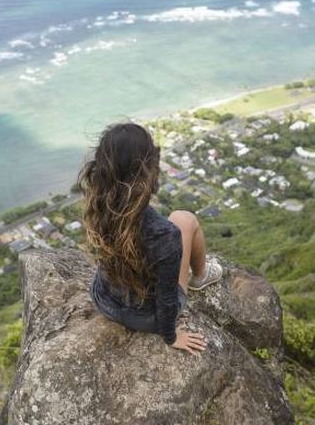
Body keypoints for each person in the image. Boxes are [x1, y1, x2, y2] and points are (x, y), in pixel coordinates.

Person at [78, 122, 223, 355]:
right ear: (148, 169)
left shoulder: (97, 204)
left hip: (103, 301)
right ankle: (200, 276)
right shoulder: (164, 234)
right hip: (145, 318)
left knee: (174, 223)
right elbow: (166, 300)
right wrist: (171, 336)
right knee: (184, 219)